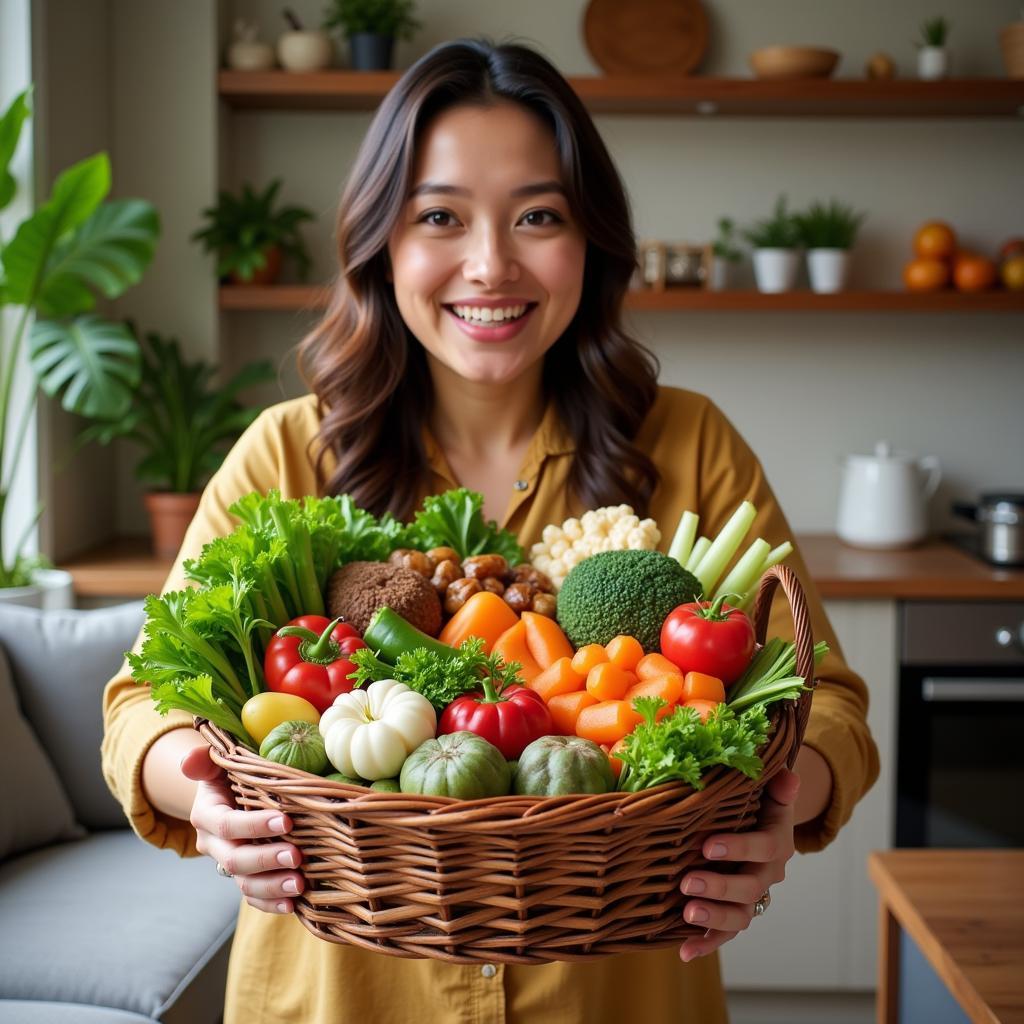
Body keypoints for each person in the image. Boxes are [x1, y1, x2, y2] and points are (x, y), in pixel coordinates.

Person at [102, 38, 879, 1024]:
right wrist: (203, 795)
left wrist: (783, 806)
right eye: (439, 216)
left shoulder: (689, 443)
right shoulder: (284, 456)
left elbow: (829, 705)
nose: (489, 265)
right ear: (381, 241)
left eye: (538, 217)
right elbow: (141, 701)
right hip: (343, 994)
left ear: (589, 239)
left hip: (618, 992)